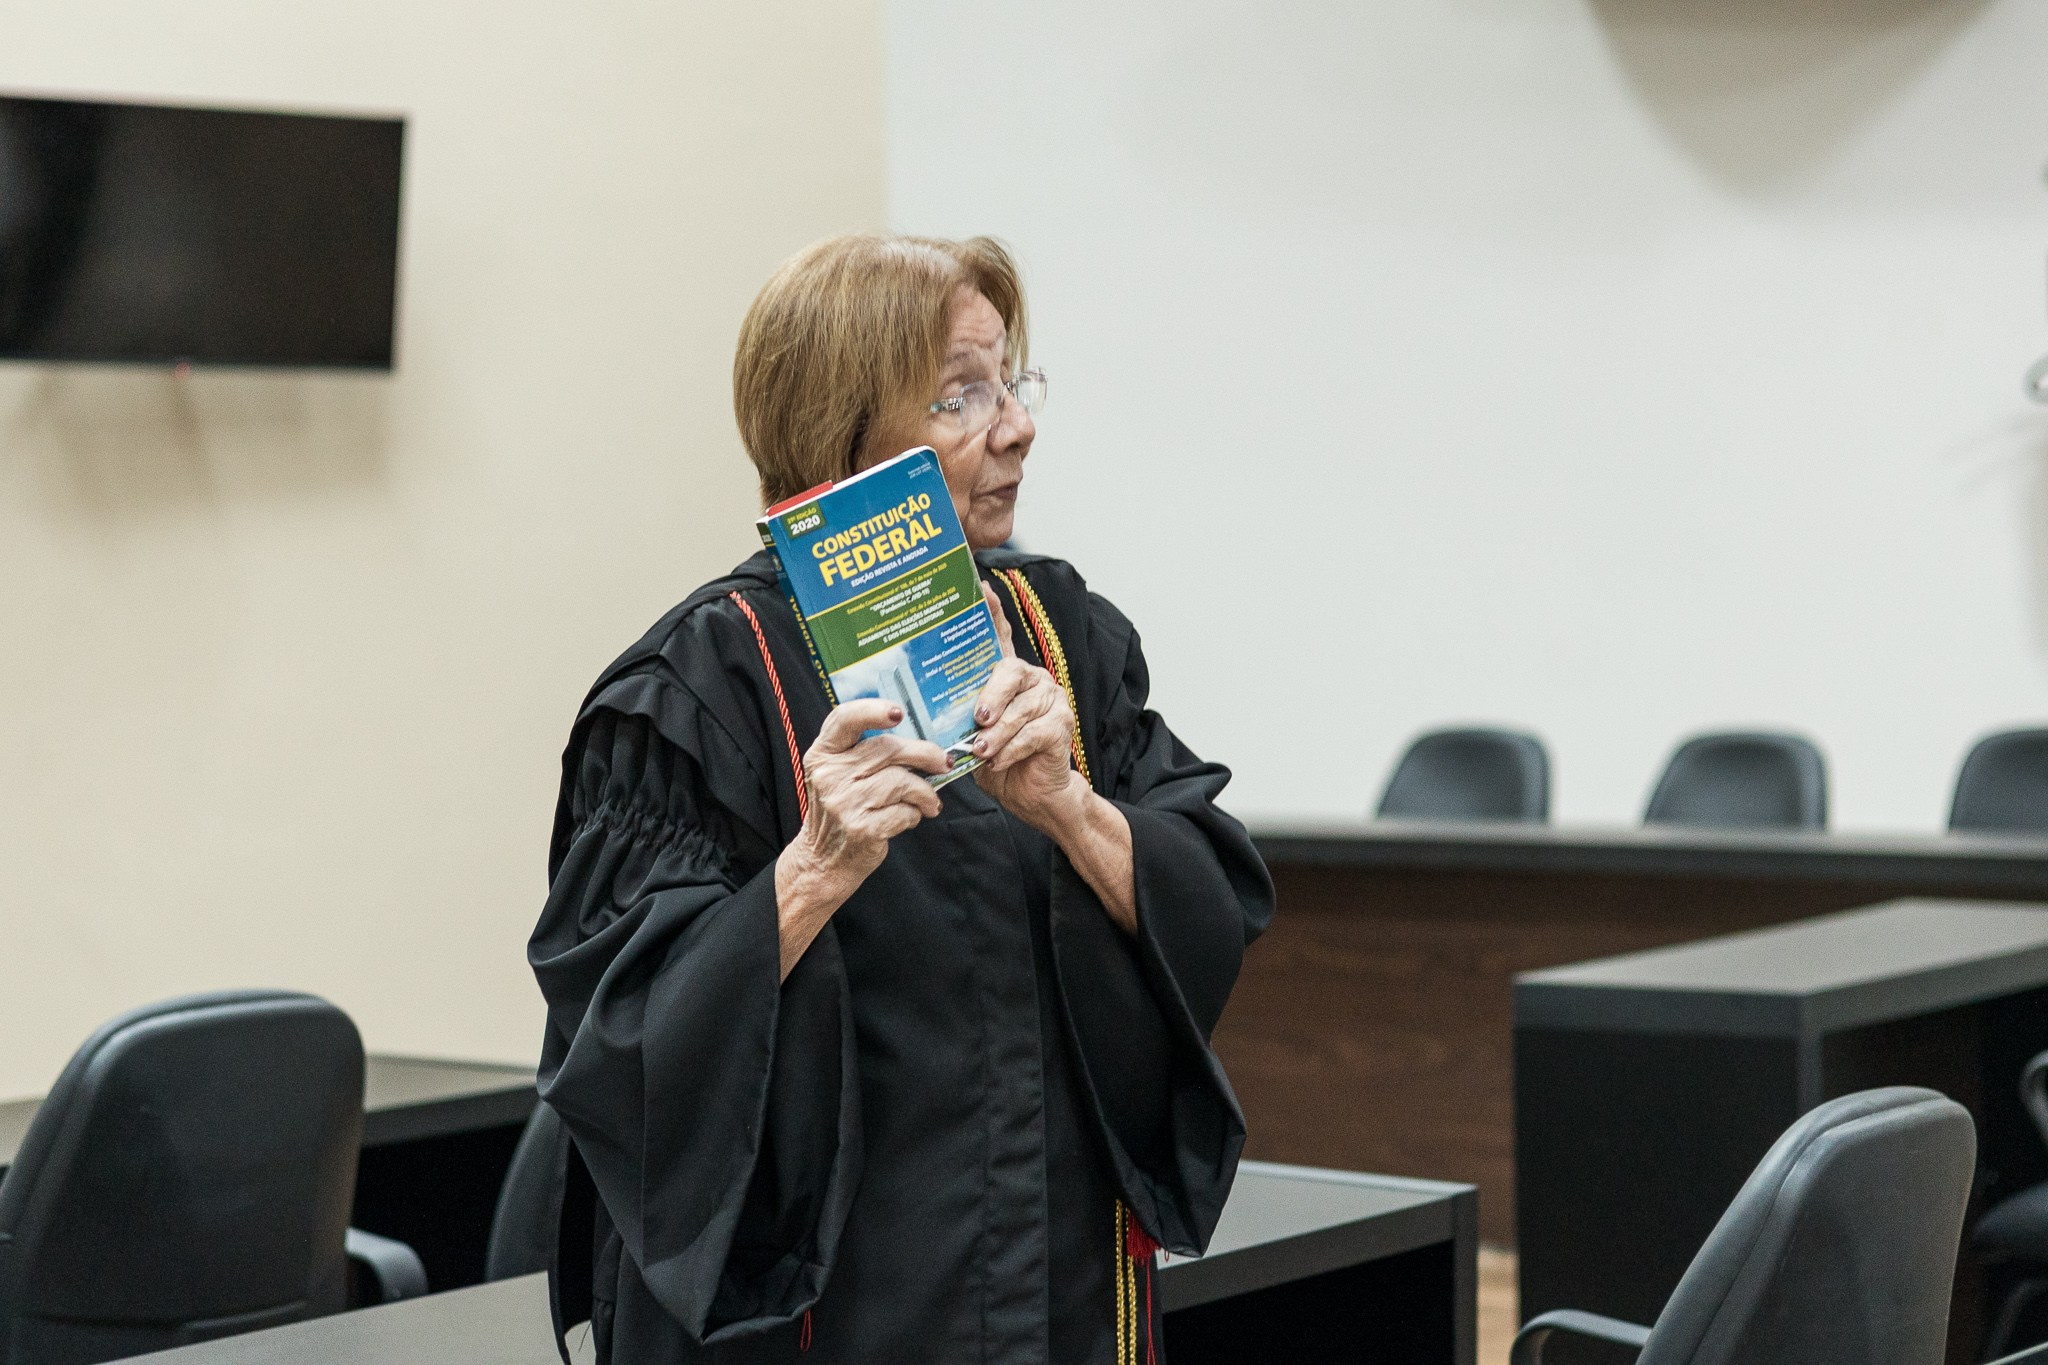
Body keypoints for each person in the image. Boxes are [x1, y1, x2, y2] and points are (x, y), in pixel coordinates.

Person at [529, 234, 1273, 1364]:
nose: (1015, 426)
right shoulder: (697, 689)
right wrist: (807, 876)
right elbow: (619, 1040)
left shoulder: (1059, 635)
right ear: (845, 431)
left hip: (1060, 1282)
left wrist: (1072, 807)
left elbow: (1208, 888)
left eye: (1009, 383)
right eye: (959, 396)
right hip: (827, 1307)